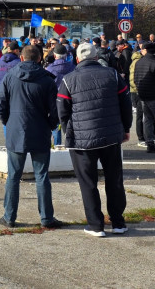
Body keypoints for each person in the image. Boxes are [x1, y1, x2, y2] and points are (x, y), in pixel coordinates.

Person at [57, 42, 132, 237]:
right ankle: (118, 222)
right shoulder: (112, 74)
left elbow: (62, 111)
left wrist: (69, 131)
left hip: (82, 140)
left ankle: (96, 225)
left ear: (77, 59)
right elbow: (125, 102)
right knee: (114, 180)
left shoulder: (68, 79)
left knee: (88, 183)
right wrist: (126, 128)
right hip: (111, 136)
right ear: (96, 57)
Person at [0, 45, 62, 229]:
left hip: (16, 132)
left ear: (22, 58)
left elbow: (0, 106)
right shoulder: (47, 80)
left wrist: (10, 123)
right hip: (40, 131)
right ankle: (47, 218)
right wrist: (49, 126)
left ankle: (9, 217)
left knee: (13, 176)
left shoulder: (10, 76)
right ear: (40, 59)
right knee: (42, 176)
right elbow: (55, 111)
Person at [46, 44, 75, 145]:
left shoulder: (49, 69)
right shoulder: (73, 68)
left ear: (54, 55)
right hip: (70, 99)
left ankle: (57, 145)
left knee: (56, 124)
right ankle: (71, 144)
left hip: (55, 99)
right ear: (66, 55)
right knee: (71, 124)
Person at [133, 41, 155, 153]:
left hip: (143, 95)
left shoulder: (139, 62)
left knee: (147, 120)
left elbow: (135, 79)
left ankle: (150, 144)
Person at [129, 44, 146, 147]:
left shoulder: (140, 60)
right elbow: (132, 79)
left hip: (139, 90)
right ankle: (141, 138)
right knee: (140, 115)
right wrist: (138, 90)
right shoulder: (137, 61)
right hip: (137, 91)